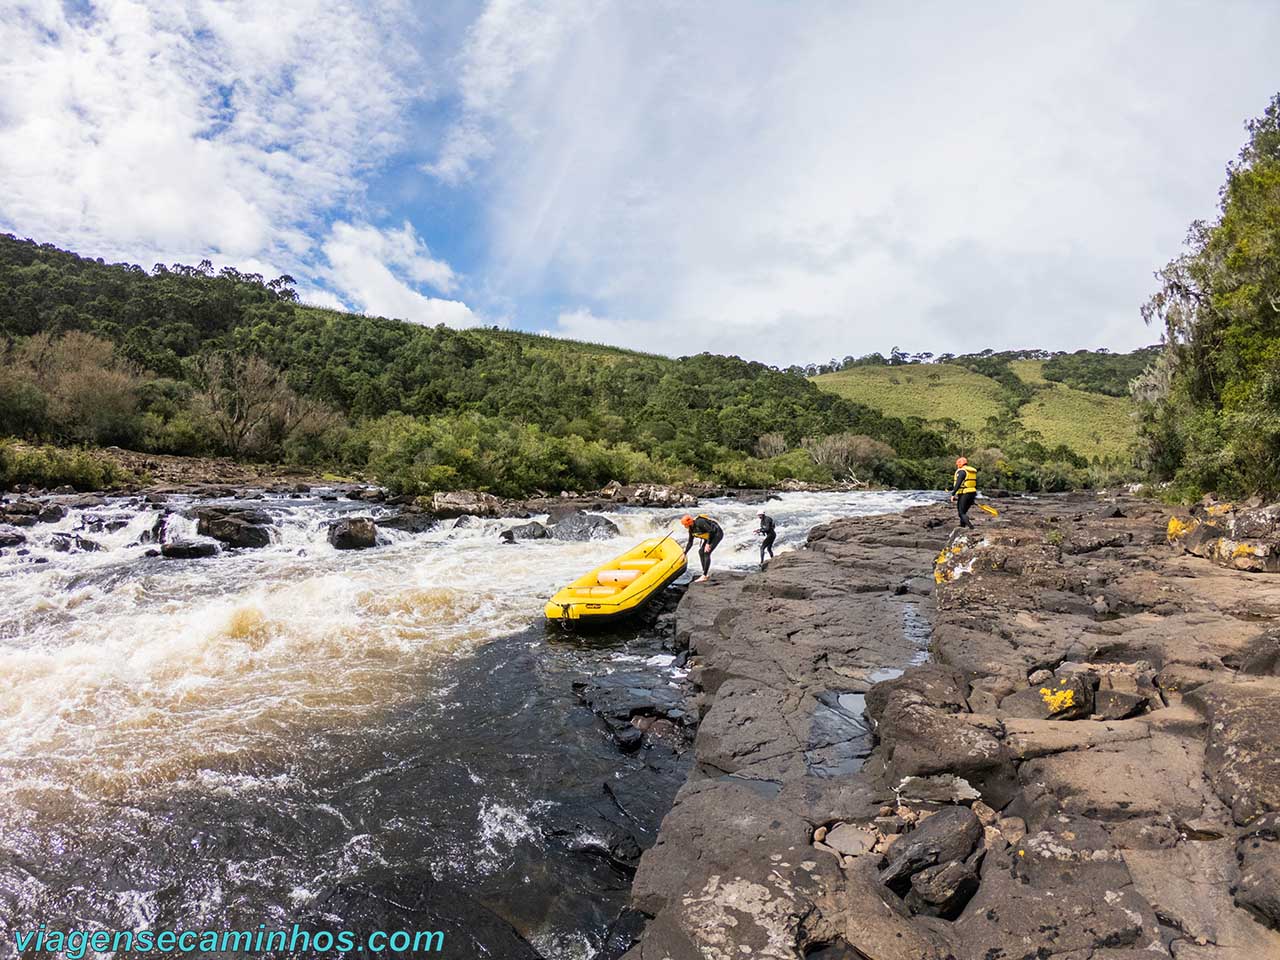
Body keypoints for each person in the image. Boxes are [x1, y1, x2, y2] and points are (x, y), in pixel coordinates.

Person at [680, 513, 723, 582]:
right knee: (700, 552)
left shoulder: (700, 522)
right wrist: (685, 553)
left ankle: (704, 575)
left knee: (706, 552)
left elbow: (711, 531)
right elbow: (690, 542)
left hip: (716, 534)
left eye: (685, 524)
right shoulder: (691, 529)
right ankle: (705, 573)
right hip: (709, 537)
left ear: (689, 522)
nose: (684, 526)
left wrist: (708, 544)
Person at [950, 456, 978, 529]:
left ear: (960, 464)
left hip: (965, 493)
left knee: (961, 512)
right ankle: (962, 526)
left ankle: (971, 528)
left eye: (957, 464)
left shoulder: (962, 471)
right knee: (963, 512)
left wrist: (953, 494)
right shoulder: (970, 471)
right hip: (972, 493)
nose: (957, 466)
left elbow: (958, 484)